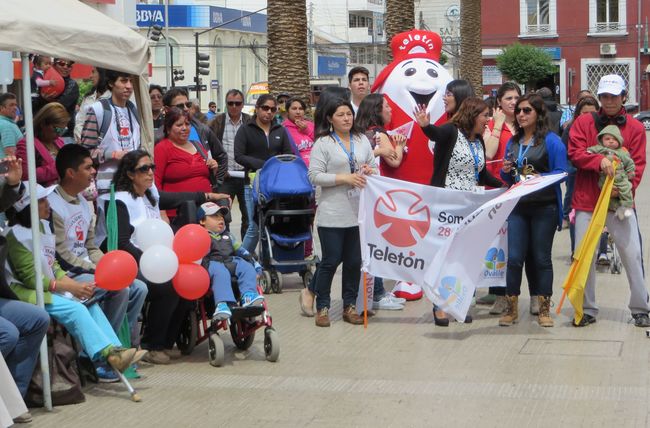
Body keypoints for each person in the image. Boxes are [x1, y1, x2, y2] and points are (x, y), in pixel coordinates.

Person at [5, 184, 144, 377]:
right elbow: (31, 279)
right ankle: (107, 355)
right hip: (25, 292)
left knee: (88, 302)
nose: (48, 205)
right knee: (77, 307)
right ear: (29, 206)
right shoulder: (15, 235)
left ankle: (114, 353)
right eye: (42, 201)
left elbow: (52, 265)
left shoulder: (43, 225)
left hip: (47, 286)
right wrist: (69, 287)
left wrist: (75, 287)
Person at [99, 150, 225, 364]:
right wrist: (149, 261)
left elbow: (178, 197)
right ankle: (151, 345)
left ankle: (168, 341)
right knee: (167, 286)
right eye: (143, 169)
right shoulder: (119, 200)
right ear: (130, 174)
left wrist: (207, 196)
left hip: (158, 257)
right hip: (130, 260)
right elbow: (121, 242)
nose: (150, 173)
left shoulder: (149, 195)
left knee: (187, 286)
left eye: (152, 168)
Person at [48, 144, 148, 378]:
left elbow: (91, 246)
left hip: (89, 268)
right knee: (119, 289)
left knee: (139, 288)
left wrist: (106, 266)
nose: (94, 171)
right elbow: (61, 256)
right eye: (88, 167)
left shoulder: (84, 201)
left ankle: (113, 351)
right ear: (71, 173)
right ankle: (103, 359)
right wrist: (99, 271)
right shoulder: (52, 204)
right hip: (68, 274)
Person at [568, 74, 650, 327]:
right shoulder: (583, 122)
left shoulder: (635, 128)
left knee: (632, 254)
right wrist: (599, 162)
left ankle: (641, 307)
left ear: (624, 96)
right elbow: (576, 153)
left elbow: (637, 165)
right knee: (585, 257)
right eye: (604, 96)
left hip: (620, 204)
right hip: (587, 201)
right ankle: (586, 309)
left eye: (614, 96)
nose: (609, 101)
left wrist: (624, 191)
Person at [415, 97, 502, 326]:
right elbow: (434, 133)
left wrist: (503, 186)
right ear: (473, 115)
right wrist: (424, 125)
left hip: (470, 208)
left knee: (464, 257)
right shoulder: (451, 132)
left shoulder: (479, 141)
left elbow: (481, 174)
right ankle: (439, 306)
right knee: (445, 257)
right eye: (485, 115)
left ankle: (458, 303)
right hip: (447, 206)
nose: (488, 120)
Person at [498, 94, 567, 328]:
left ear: (538, 113)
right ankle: (511, 309)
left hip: (544, 207)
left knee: (541, 258)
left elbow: (562, 172)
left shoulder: (552, 141)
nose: (521, 114)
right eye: (518, 111)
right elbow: (507, 177)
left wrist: (541, 178)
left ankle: (544, 309)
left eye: (527, 110)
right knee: (515, 258)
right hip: (517, 206)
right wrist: (506, 170)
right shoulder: (513, 142)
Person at [308, 98, 377, 327]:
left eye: (349, 113)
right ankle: (323, 307)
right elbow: (314, 176)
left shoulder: (362, 140)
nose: (346, 118)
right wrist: (343, 178)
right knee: (330, 261)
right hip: (332, 213)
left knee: (353, 261)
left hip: (358, 213)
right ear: (330, 118)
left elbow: (373, 168)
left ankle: (349, 306)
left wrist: (368, 170)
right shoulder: (323, 143)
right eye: (340, 114)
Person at [0, 157, 50, 401]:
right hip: (22, 288)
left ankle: (13, 399)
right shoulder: (17, 234)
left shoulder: (42, 229)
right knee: (7, 333)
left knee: (37, 318)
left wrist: (13, 184)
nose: (47, 205)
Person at [353, 93, 407, 312]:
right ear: (377, 110)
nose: (390, 110)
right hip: (375, 196)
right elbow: (394, 160)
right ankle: (377, 294)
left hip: (361, 193)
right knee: (374, 246)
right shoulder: (379, 133)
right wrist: (399, 145)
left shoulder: (358, 134)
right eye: (387, 106)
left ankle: (378, 292)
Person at [234, 94, 294, 253]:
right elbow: (239, 156)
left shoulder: (280, 130)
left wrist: (277, 166)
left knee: (275, 224)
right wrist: (266, 165)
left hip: (276, 186)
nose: (269, 112)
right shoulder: (245, 129)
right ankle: (241, 259)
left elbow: (288, 154)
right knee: (254, 226)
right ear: (257, 109)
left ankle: (269, 259)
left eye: (273, 109)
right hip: (253, 184)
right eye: (265, 108)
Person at [482, 81, 523, 313]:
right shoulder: (490, 123)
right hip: (496, 190)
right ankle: (497, 293)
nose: (514, 102)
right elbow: (488, 151)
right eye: (508, 98)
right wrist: (497, 125)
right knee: (496, 244)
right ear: (499, 102)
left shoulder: (526, 123)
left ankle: (512, 293)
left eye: (517, 98)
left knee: (515, 246)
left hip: (519, 190)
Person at [198, 202, 263, 321]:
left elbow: (242, 251)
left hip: (229, 261)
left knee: (245, 266)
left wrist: (254, 263)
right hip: (212, 263)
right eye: (214, 216)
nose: (220, 219)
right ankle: (222, 303)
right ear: (202, 221)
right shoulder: (202, 236)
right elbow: (200, 257)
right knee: (220, 272)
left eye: (221, 216)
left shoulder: (228, 236)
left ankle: (248, 295)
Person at [81, 69, 141, 195]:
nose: (129, 86)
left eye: (131, 81)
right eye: (123, 81)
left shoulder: (135, 110)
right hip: (108, 186)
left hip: (135, 183)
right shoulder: (98, 110)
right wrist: (112, 155)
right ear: (111, 83)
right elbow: (85, 152)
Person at [155, 107, 220, 220]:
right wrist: (161, 211)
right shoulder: (162, 148)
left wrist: (213, 167)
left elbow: (207, 176)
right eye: (179, 125)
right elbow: (155, 183)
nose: (184, 128)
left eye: (187, 124)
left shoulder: (197, 145)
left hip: (205, 211)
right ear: (168, 128)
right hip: (177, 213)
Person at [160, 87, 228, 188]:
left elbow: (221, 156)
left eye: (187, 104)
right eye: (180, 106)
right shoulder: (159, 138)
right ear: (167, 109)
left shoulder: (203, 130)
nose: (186, 108)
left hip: (205, 197)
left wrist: (216, 183)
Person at [209, 89, 251, 240]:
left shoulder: (250, 122)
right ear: (226, 104)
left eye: (237, 103)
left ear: (242, 104)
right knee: (222, 215)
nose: (234, 106)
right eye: (230, 103)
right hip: (225, 177)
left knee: (249, 216)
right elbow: (208, 147)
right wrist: (219, 169)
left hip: (246, 176)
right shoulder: (216, 122)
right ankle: (225, 247)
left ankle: (247, 250)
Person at [587, 125, 635, 220]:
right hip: (605, 179)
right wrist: (589, 152)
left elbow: (629, 162)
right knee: (607, 194)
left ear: (619, 141)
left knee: (626, 190)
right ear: (601, 140)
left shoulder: (622, 152)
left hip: (620, 178)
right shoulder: (599, 149)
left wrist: (630, 171)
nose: (611, 141)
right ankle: (614, 209)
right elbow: (589, 152)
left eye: (614, 139)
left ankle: (626, 207)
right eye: (607, 139)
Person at [16, 102, 68, 186]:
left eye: (64, 130)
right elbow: (25, 175)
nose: (60, 134)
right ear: (43, 124)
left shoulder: (59, 141)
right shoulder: (26, 144)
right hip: (41, 196)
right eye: (58, 129)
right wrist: (60, 166)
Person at [39, 58, 78, 143]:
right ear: (54, 65)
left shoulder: (72, 85)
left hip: (64, 136)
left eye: (69, 65)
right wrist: (41, 99)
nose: (65, 67)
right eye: (62, 63)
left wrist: (45, 100)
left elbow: (58, 107)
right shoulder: (43, 82)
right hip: (43, 134)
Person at [74, 67, 109, 143]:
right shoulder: (88, 98)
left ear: (102, 74)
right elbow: (79, 121)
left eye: (93, 72)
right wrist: (82, 140)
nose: (90, 76)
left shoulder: (111, 99)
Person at [283, 97, 315, 167]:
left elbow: (321, 141)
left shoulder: (310, 125)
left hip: (318, 165)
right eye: (294, 109)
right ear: (287, 111)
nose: (298, 112)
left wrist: (307, 130)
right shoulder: (283, 129)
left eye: (301, 109)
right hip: (297, 167)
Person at [0, 93, 21, 158]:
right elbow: (11, 154)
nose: (15, 108)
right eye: (11, 105)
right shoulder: (6, 125)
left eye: (15, 105)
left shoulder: (5, 123)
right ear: (1, 108)